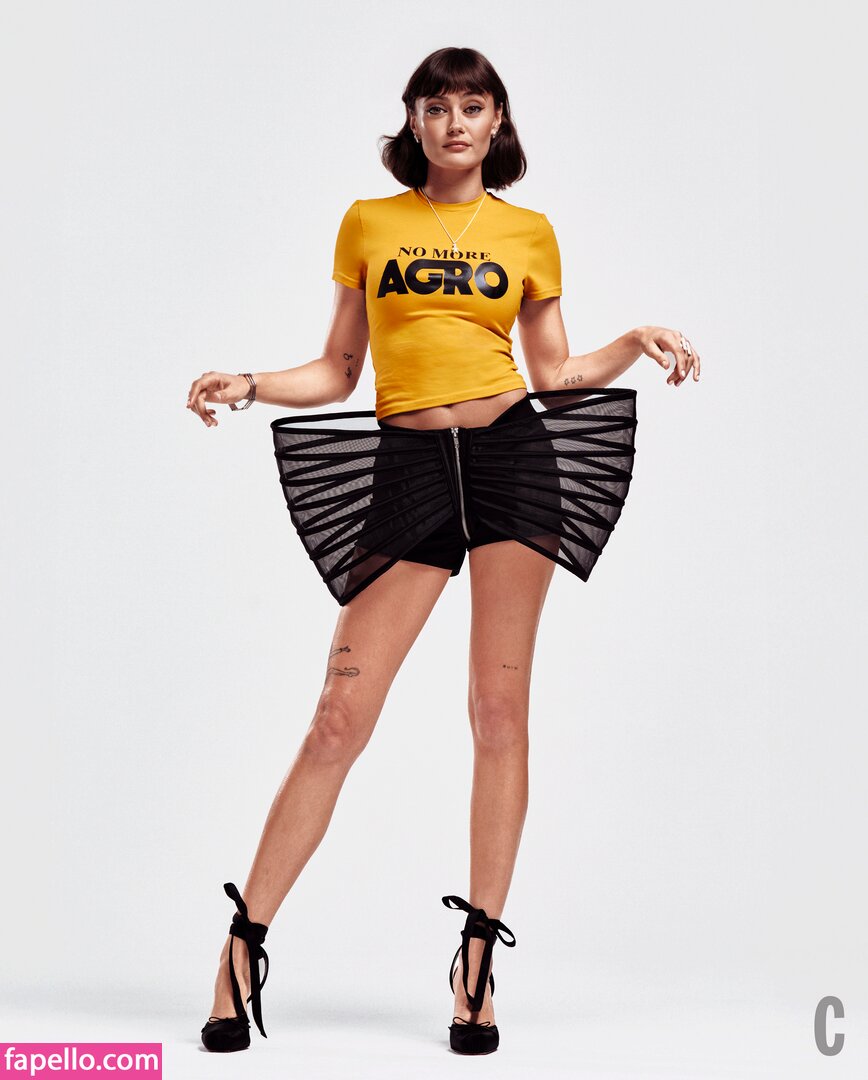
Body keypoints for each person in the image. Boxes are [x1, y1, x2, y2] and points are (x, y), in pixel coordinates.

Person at [186, 45, 700, 1057]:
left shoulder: (527, 231)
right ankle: (241, 947)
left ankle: (476, 966)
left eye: (474, 106)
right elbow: (340, 369)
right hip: (409, 468)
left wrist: (632, 339)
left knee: (497, 712)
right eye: (437, 106)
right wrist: (250, 384)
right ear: (413, 121)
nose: (455, 123)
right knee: (338, 717)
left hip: (511, 460)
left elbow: (553, 373)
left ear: (497, 122)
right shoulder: (369, 222)